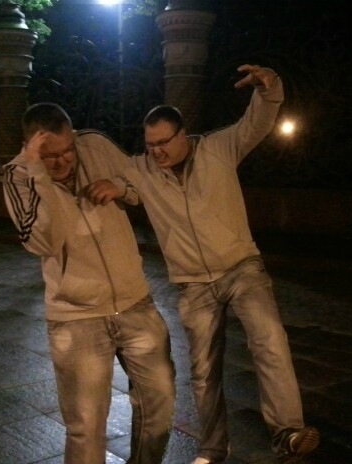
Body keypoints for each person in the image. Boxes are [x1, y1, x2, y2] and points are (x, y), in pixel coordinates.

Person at [85, 64, 320, 463]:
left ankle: (287, 431)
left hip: (241, 267)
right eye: (150, 144)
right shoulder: (144, 169)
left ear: (183, 135)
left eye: (163, 142)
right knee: (203, 372)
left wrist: (270, 89)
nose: (156, 151)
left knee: (270, 340)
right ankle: (212, 447)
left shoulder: (217, 148)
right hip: (193, 284)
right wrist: (116, 187)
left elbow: (255, 125)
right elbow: (127, 182)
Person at [2, 102, 176, 464]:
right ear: (30, 147)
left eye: (68, 149)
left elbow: (145, 181)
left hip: (135, 303)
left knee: (160, 405)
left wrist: (119, 187)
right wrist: (39, 174)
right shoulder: (18, 175)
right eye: (51, 155)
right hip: (75, 318)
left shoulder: (95, 145)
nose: (64, 160)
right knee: (85, 428)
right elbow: (43, 242)